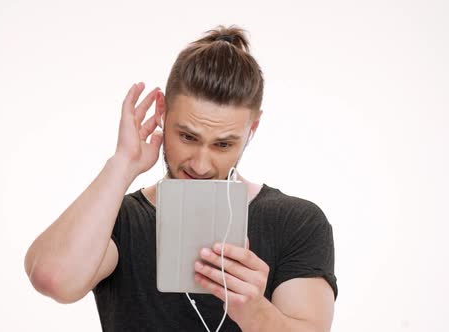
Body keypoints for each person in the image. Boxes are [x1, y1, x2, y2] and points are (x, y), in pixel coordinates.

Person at [24, 24, 337, 331]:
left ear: (252, 130)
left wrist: (253, 311)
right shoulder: (117, 220)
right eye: (187, 136)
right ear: (162, 111)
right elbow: (53, 279)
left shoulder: (296, 221)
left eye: (223, 144)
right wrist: (123, 163)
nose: (200, 165)